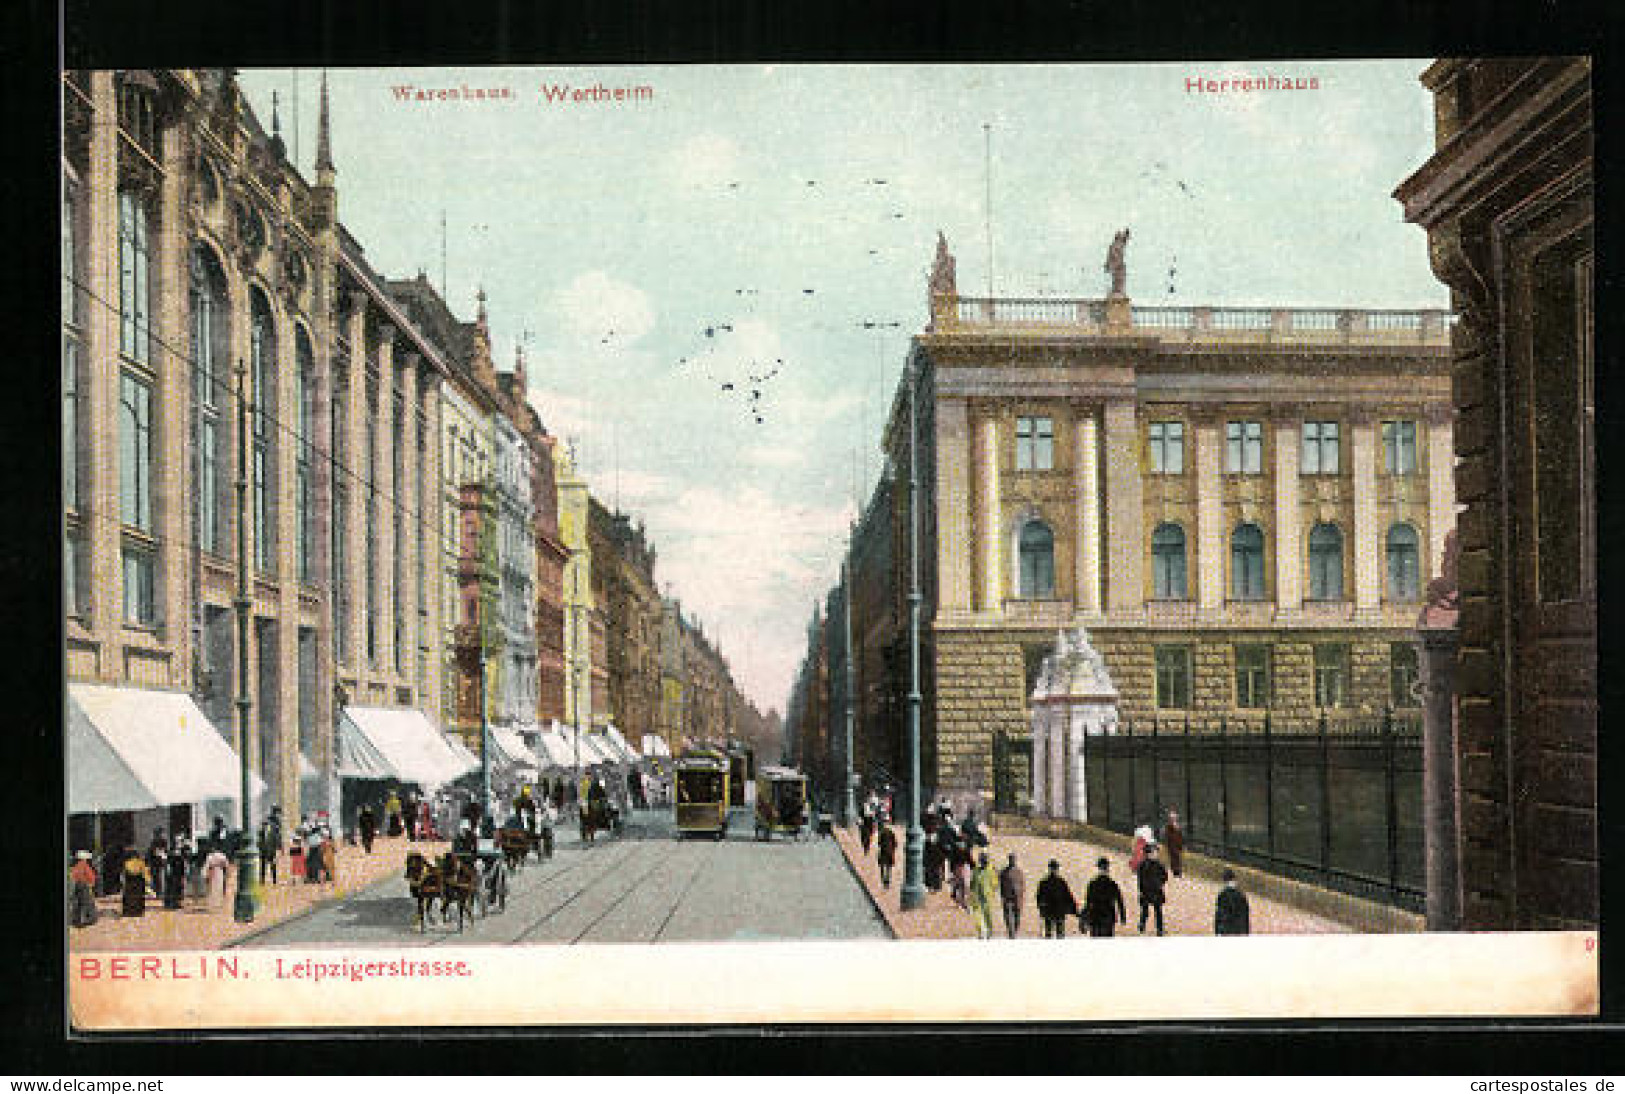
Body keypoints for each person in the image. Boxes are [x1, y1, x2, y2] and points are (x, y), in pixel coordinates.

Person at [1082, 857, 1127, 938]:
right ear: (1108, 869)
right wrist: (1123, 916)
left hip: (1095, 916)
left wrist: (1083, 919)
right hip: (1108, 916)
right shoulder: (1112, 884)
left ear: (1098, 869)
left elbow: (1088, 903)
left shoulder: (1092, 884)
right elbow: (1120, 901)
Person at [1035, 860, 1077, 938]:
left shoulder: (1046, 882)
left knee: (1054, 933)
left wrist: (1041, 908)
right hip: (1055, 912)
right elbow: (1068, 896)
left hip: (1055, 911)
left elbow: (1068, 896)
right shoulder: (1057, 882)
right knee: (1053, 933)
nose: (1054, 870)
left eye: (1055, 868)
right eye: (1053, 868)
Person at [1136, 842, 1170, 935]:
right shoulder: (1143, 865)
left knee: (1158, 911)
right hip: (1146, 891)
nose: (1156, 854)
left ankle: (1159, 929)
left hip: (1156, 891)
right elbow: (1140, 879)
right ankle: (1141, 926)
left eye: (1156, 852)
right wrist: (1141, 890)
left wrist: (1159, 884)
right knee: (1145, 911)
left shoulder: (1159, 865)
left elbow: (1165, 876)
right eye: (1154, 852)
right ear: (1149, 854)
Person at [969, 852, 1000, 940]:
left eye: (984, 860)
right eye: (981, 860)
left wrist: (992, 892)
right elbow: (972, 883)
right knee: (977, 915)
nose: (982, 862)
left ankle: (989, 931)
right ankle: (980, 932)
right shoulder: (976, 870)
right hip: (976, 896)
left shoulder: (991, 871)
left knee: (987, 914)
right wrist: (971, 893)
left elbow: (995, 884)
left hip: (987, 896)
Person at [1215, 868, 1251, 936]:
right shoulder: (1241, 895)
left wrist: (1217, 932)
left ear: (1224, 880)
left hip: (1225, 930)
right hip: (1238, 932)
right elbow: (1245, 916)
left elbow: (1219, 915)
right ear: (1234, 879)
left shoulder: (1222, 895)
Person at [998, 853, 1025, 939]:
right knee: (1008, 917)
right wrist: (1003, 896)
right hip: (1007, 898)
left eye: (1013, 859)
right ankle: (1011, 934)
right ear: (1008, 860)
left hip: (1017, 899)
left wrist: (1021, 896)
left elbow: (1023, 884)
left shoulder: (1019, 872)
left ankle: (1014, 932)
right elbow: (1000, 885)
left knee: (1017, 918)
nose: (1012, 861)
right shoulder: (1003, 872)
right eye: (1011, 859)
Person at [69, 851, 98, 928]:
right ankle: (85, 920)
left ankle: (77, 920)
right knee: (86, 902)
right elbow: (89, 875)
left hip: (78, 885)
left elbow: (74, 875)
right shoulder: (84, 865)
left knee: (79, 903)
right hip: (84, 885)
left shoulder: (76, 866)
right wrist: (91, 883)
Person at [120, 847, 150, 917]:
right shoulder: (141, 862)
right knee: (138, 898)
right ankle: (138, 912)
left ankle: (128, 912)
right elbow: (145, 872)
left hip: (129, 883)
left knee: (129, 898)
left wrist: (122, 882)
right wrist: (147, 881)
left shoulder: (126, 863)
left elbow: (124, 873)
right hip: (139, 883)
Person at [163, 837, 188, 910]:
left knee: (178, 888)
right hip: (172, 872)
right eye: (178, 841)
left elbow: (183, 862)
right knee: (171, 887)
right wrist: (168, 869)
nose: (180, 843)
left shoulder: (182, 851)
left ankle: (176, 903)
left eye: (180, 841)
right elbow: (167, 862)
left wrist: (184, 872)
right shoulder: (170, 851)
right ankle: (169, 903)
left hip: (179, 872)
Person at [204, 844, 230, 911]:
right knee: (218, 886)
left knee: (214, 887)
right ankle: (218, 903)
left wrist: (207, 873)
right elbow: (226, 865)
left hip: (214, 871)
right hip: (219, 871)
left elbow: (207, 865)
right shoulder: (222, 855)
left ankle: (214, 903)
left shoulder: (210, 856)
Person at [257, 816, 280, 885]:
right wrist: (260, 849)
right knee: (263, 867)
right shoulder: (260, 832)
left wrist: (276, 851)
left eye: (265, 824)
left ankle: (274, 880)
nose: (264, 826)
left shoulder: (273, 832)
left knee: (273, 867)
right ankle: (262, 881)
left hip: (271, 852)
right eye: (263, 825)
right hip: (263, 852)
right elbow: (259, 842)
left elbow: (276, 842)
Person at [1162, 810, 1185, 877]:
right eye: (1171, 817)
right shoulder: (1168, 827)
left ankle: (1178, 871)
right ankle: (1175, 871)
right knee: (1173, 857)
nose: (1173, 819)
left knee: (1177, 857)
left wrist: (1181, 844)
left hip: (1177, 844)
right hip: (1171, 844)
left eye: (1174, 817)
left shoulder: (1178, 826)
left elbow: (1180, 835)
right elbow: (1167, 835)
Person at [876, 823, 897, 888]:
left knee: (882, 867)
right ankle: (887, 880)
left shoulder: (882, 833)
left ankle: (883, 880)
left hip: (883, 852)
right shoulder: (891, 833)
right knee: (888, 868)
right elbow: (895, 844)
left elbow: (879, 843)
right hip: (889, 852)